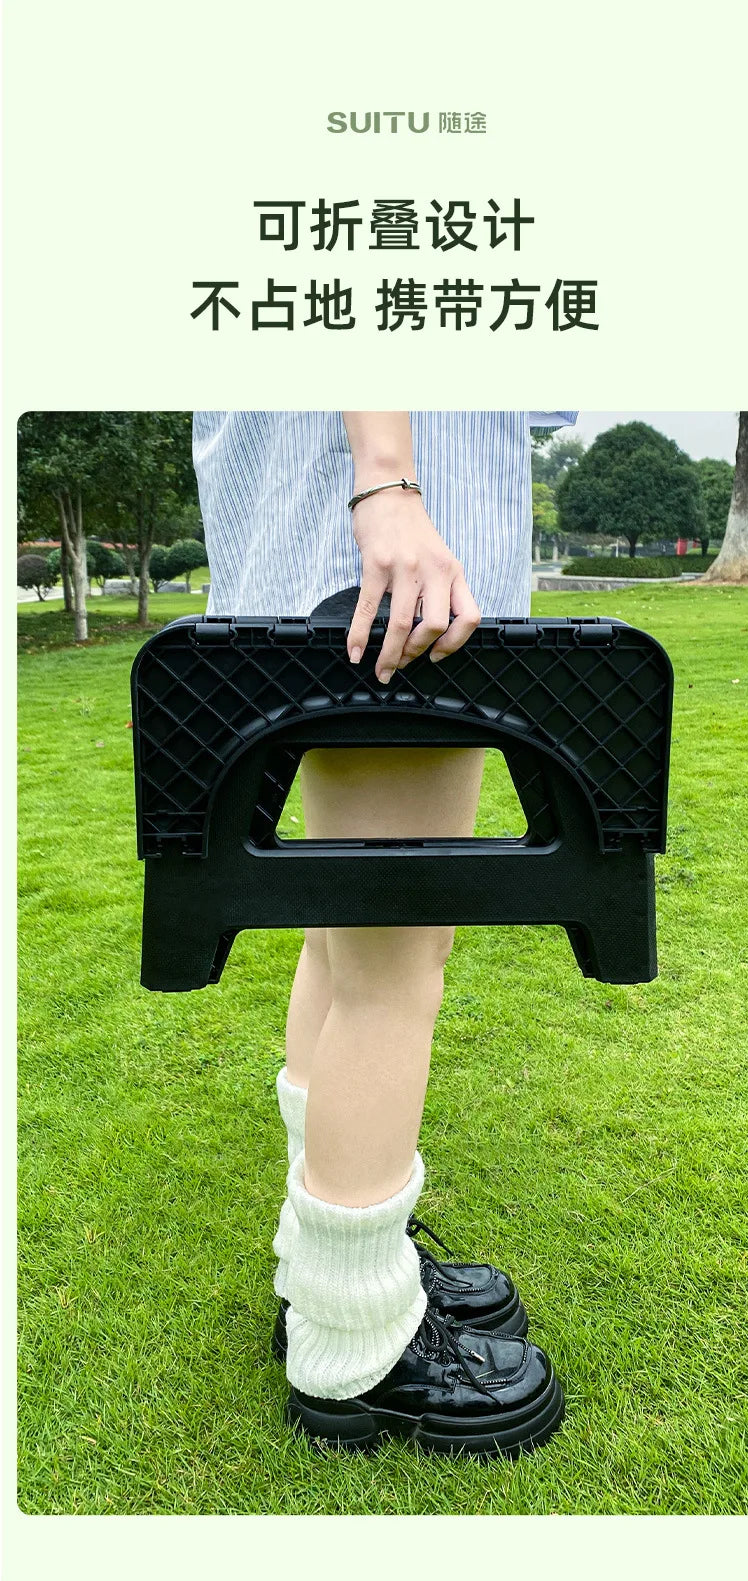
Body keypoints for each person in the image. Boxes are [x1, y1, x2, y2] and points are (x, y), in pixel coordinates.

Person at [191, 409, 578, 1456]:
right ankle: (352, 1348)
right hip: (389, 582)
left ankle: (324, 1267)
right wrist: (389, 486)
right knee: (393, 957)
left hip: (339, 561)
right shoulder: (387, 509)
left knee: (347, 941)